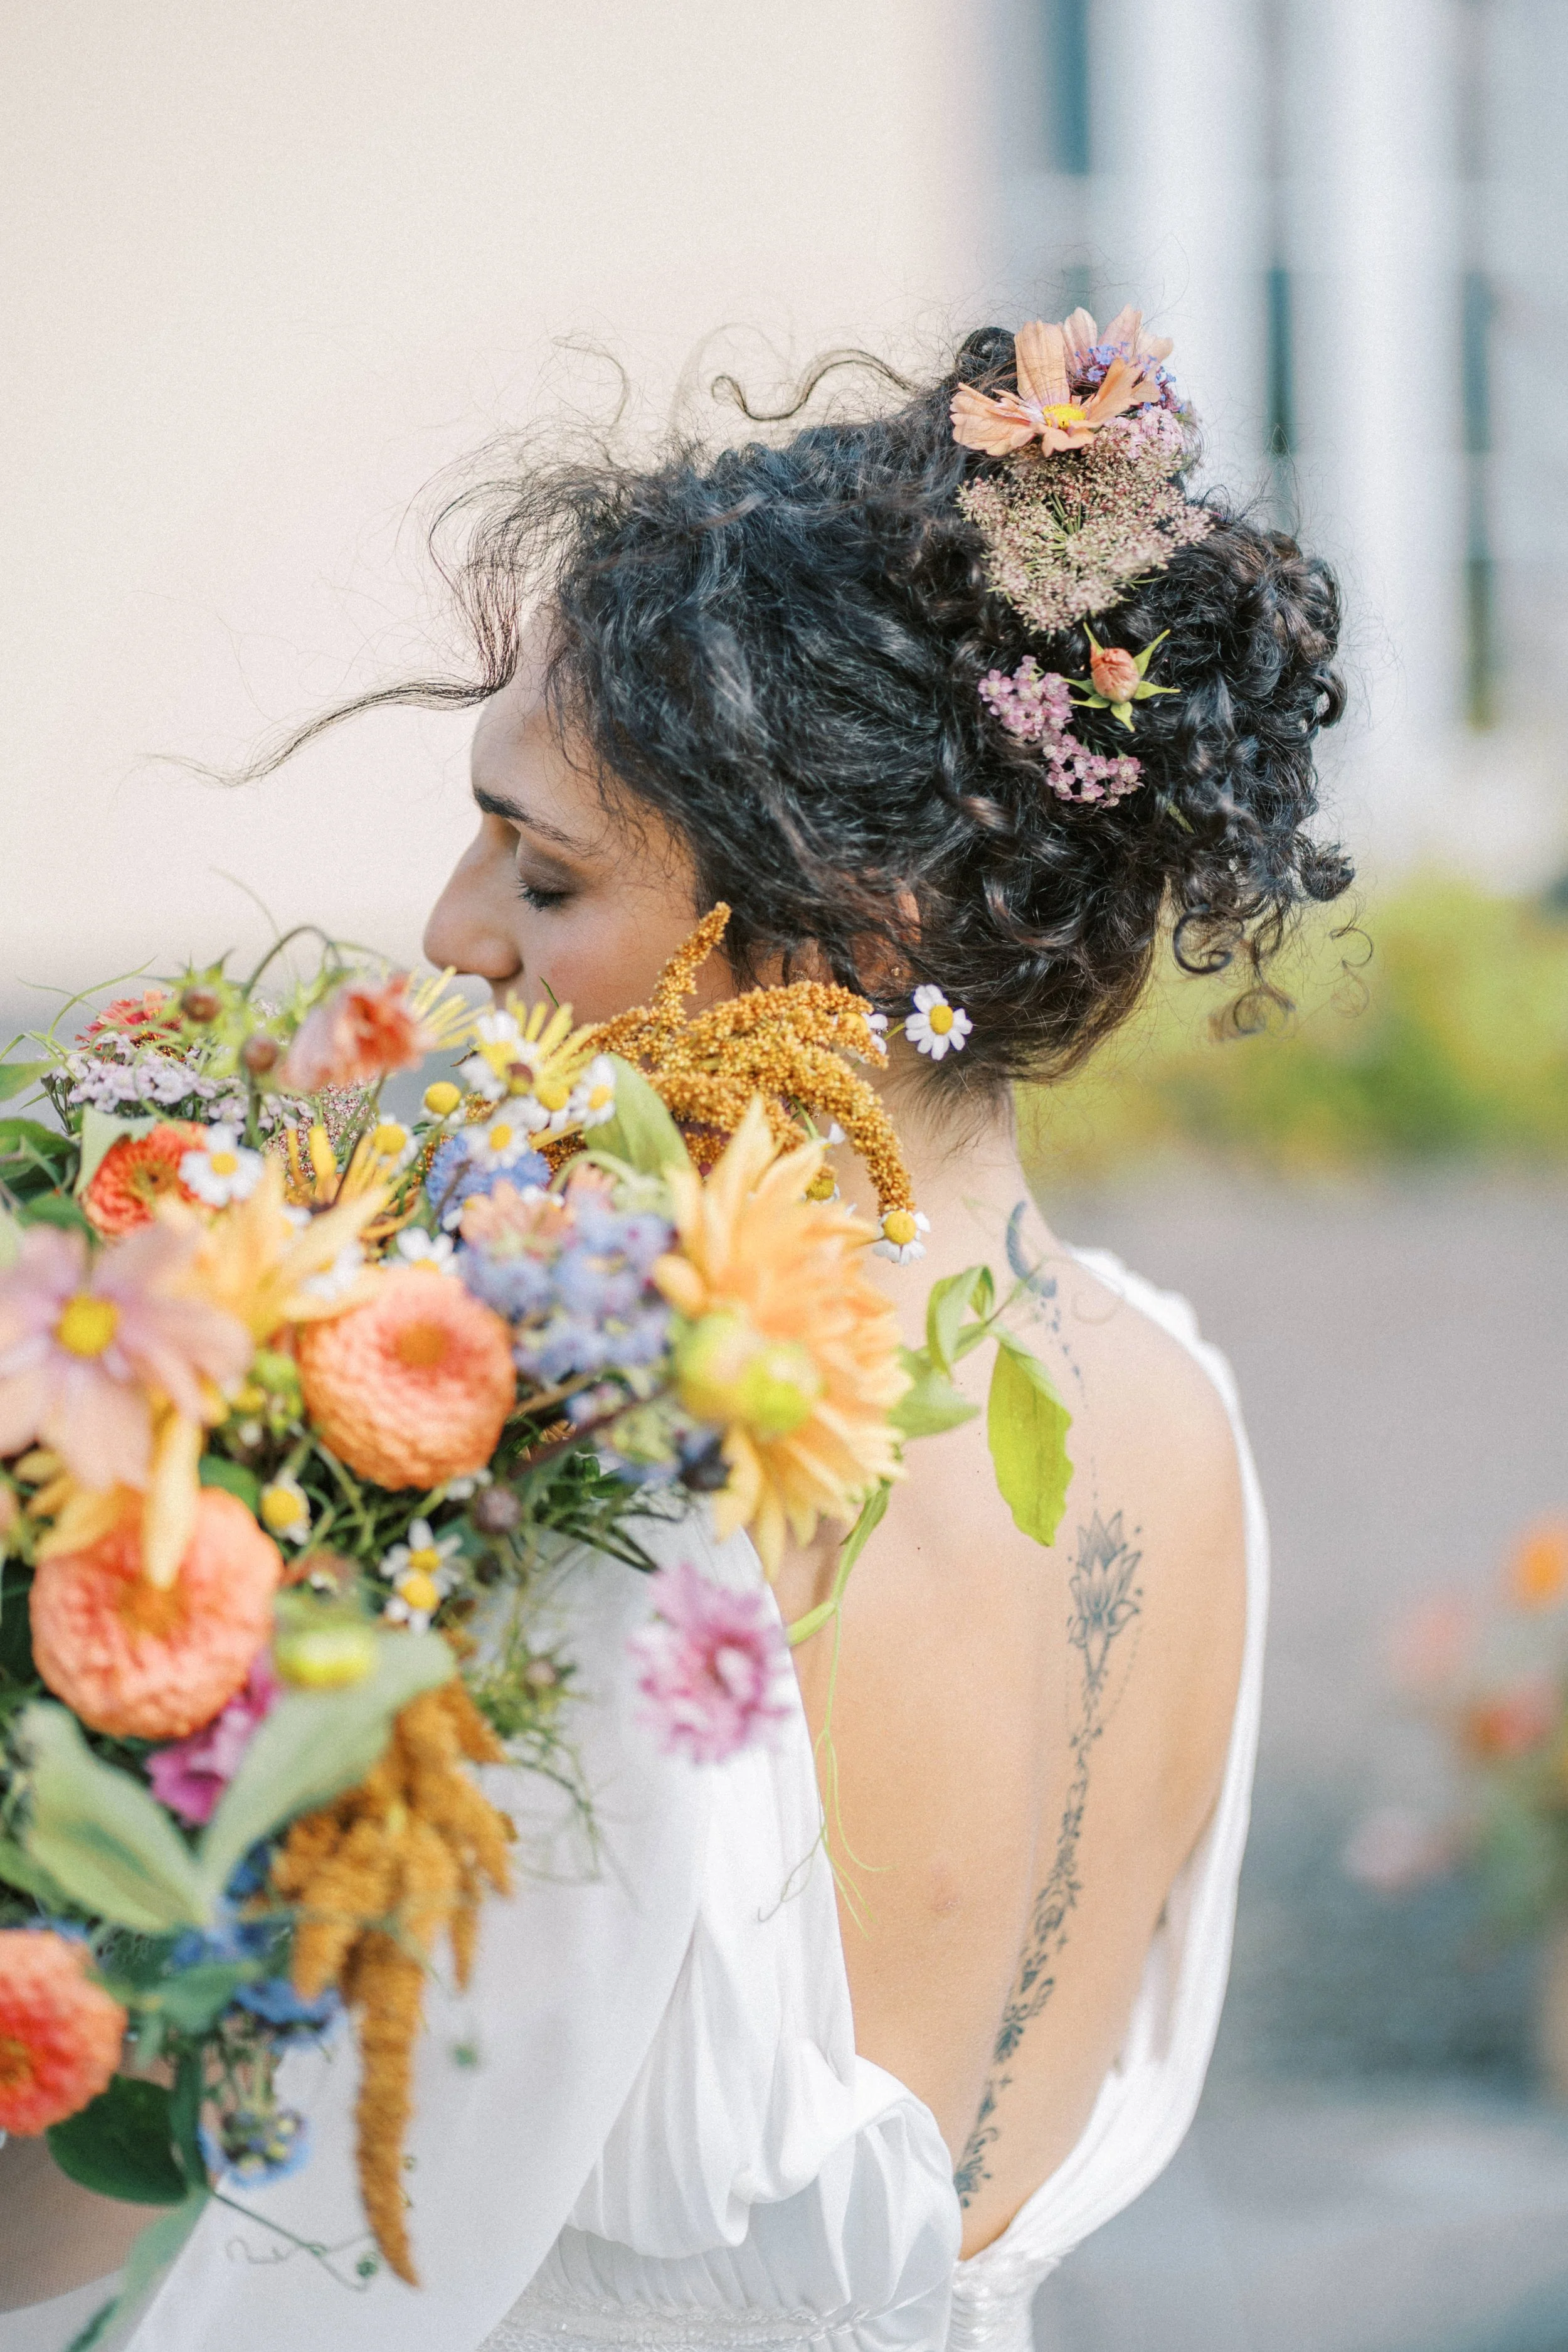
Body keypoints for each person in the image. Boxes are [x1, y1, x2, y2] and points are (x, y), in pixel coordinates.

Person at [5, 312, 1347, 2352]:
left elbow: (323, 2271)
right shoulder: (1185, 1417)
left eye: (544, 875)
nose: (455, 934)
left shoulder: (613, 1487)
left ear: (859, 924)